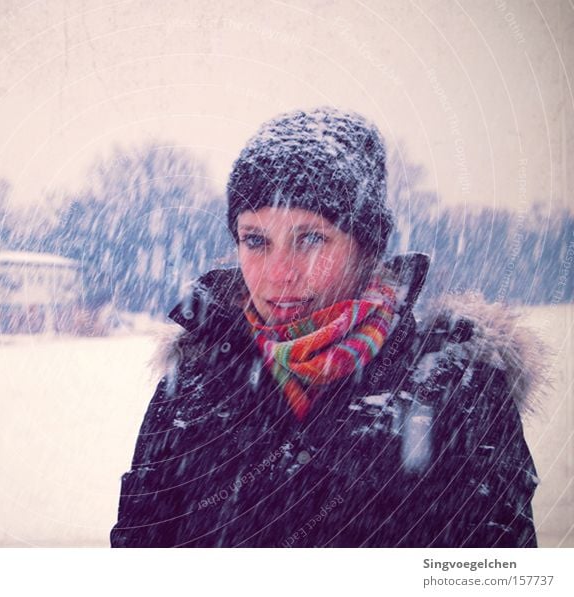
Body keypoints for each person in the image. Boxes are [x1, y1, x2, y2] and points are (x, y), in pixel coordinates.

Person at [110, 107, 544, 547]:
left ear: (365, 246)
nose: (279, 273)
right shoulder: (193, 385)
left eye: (311, 239)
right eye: (255, 240)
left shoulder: (456, 392)